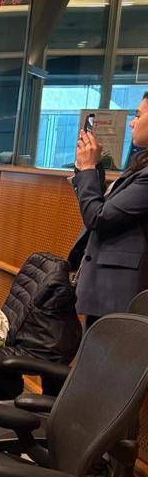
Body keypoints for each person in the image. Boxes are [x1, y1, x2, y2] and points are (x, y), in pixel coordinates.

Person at [70, 93, 148, 323]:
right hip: (108, 290)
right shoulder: (141, 164)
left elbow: (99, 217)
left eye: (138, 115)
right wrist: (91, 167)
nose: (132, 123)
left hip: (119, 294)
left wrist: (88, 169)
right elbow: (108, 203)